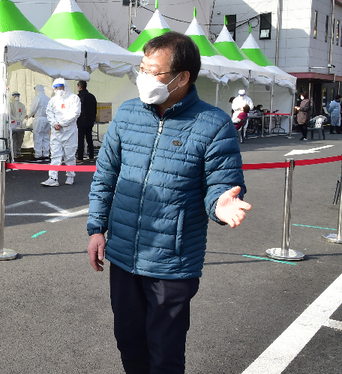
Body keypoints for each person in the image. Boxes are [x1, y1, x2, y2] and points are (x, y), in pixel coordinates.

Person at [87, 32, 251, 374]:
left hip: (173, 262)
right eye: (142, 68)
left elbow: (222, 183)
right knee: (129, 343)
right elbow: (105, 174)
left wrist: (221, 205)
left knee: (165, 354)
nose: (144, 77)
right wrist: (96, 228)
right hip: (124, 255)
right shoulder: (129, 113)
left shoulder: (213, 124)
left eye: (154, 71)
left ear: (183, 77)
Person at [41, 78, 81, 187]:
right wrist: (54, 123)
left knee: (70, 155)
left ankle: (70, 175)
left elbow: (75, 113)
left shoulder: (74, 98)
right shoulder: (53, 101)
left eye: (61, 87)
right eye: (57, 88)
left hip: (70, 131)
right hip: (56, 132)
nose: (59, 90)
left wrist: (61, 123)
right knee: (55, 155)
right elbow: (49, 113)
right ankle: (53, 177)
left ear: (65, 87)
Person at [76, 80, 97, 163]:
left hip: (81, 121)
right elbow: (95, 109)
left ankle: (80, 157)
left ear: (79, 87)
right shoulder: (92, 96)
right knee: (89, 138)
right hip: (90, 120)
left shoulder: (78, 97)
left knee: (80, 139)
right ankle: (91, 156)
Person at [29, 84, 51, 159]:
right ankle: (46, 153)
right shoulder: (48, 98)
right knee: (46, 136)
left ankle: (38, 154)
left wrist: (28, 115)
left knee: (38, 136)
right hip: (47, 119)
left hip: (39, 119)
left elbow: (33, 109)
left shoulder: (37, 98)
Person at [10, 91, 27, 158]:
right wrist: (15, 119)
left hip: (20, 124)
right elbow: (9, 114)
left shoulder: (21, 105)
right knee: (14, 139)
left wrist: (20, 119)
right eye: (15, 96)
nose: (16, 97)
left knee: (20, 138)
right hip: (13, 124)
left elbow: (24, 113)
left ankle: (18, 151)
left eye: (18, 96)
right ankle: (13, 152)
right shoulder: (10, 105)